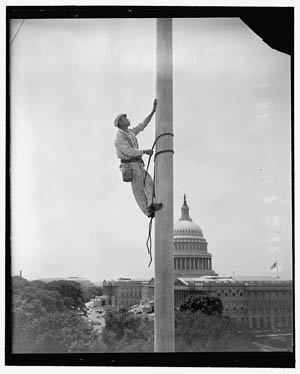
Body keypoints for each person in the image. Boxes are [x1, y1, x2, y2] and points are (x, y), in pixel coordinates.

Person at [114, 99, 163, 218]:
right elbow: (128, 151)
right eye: (125, 118)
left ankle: (151, 205)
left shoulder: (129, 133)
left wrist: (152, 112)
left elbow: (142, 125)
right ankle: (148, 211)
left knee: (148, 181)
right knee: (139, 191)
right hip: (129, 165)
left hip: (136, 164)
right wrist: (144, 151)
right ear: (120, 122)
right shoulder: (120, 136)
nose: (128, 119)